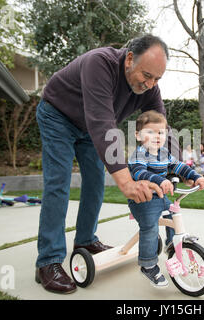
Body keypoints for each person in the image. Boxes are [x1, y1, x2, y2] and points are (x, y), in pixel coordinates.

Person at [35, 35, 181, 294]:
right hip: (58, 115)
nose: (150, 84)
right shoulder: (98, 63)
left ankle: (86, 241)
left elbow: (163, 129)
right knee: (59, 183)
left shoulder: (150, 89)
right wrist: (126, 180)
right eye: (146, 75)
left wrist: (177, 168)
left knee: (95, 183)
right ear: (129, 59)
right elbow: (102, 123)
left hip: (90, 128)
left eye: (157, 79)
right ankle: (48, 261)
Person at [128, 110, 204, 288]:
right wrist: (160, 180)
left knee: (173, 213)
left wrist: (196, 177)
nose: (157, 137)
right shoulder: (139, 154)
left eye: (161, 133)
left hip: (161, 196)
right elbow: (140, 172)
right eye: (150, 132)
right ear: (138, 135)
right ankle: (148, 265)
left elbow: (179, 166)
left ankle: (172, 244)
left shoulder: (164, 153)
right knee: (150, 227)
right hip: (143, 200)